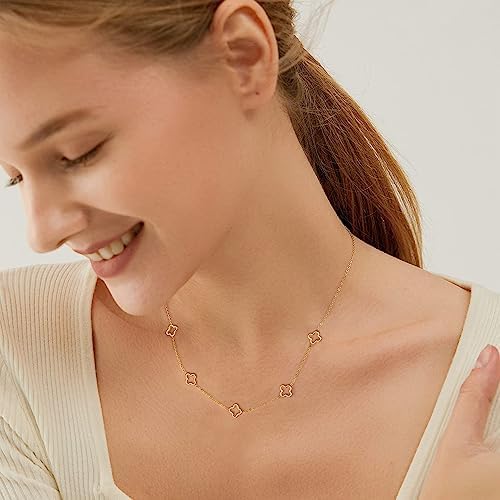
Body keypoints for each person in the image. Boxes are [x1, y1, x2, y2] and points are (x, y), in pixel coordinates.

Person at [0, 1, 498, 499]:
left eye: (78, 152)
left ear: (242, 56)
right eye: (15, 176)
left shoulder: (483, 386)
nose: (41, 234)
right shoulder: (17, 349)